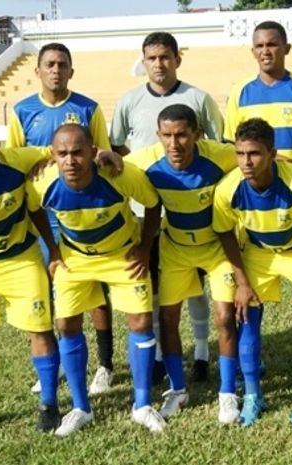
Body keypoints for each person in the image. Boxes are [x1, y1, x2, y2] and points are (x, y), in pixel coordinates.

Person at [27, 124, 164, 436]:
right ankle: (81, 408)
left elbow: (153, 203)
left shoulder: (119, 175)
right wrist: (53, 250)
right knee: (66, 325)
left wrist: (145, 247)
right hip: (74, 260)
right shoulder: (43, 182)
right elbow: (34, 209)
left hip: (121, 256)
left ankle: (142, 405)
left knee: (141, 322)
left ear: (92, 152)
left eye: (78, 152)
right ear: (53, 155)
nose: (70, 160)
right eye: (62, 153)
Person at [111, 31, 225, 383]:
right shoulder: (129, 100)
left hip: (192, 208)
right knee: (158, 289)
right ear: (143, 61)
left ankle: (202, 352)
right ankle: (160, 355)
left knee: (197, 285)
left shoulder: (198, 98)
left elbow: (218, 146)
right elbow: (118, 150)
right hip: (146, 212)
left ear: (177, 59)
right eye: (152, 58)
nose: (159, 64)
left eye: (165, 57)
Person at [7, 42, 115, 395]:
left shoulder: (87, 108)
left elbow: (102, 153)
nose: (56, 70)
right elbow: (15, 160)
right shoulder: (22, 111)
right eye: (50, 64)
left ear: (71, 70)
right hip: (43, 218)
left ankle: (105, 365)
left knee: (96, 292)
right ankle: (58, 366)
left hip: (84, 215)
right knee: (53, 294)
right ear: (37, 70)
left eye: (62, 64)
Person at [212, 118, 292, 427]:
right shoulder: (228, 188)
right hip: (259, 252)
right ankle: (253, 395)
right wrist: (242, 283)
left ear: (272, 154)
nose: (246, 162)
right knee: (246, 314)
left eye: (254, 154)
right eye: (240, 154)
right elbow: (224, 232)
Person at [126, 104, 240, 423]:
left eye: (181, 135)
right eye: (166, 136)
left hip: (215, 248)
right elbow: (109, 167)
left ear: (197, 134)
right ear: (158, 135)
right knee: (168, 317)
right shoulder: (147, 160)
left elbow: (261, 156)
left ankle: (228, 393)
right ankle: (178, 390)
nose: (174, 144)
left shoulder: (218, 155)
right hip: (175, 248)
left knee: (225, 317)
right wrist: (105, 158)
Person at [0, 120, 61, 432]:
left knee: (40, 328)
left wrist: (106, 154)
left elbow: (61, 149)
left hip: (20, 259)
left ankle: (49, 404)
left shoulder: (16, 161)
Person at [224, 20, 292, 171]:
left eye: (272, 45)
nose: (265, 51)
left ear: (286, 48)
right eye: (259, 46)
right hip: (257, 180)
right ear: (253, 52)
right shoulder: (240, 91)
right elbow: (232, 144)